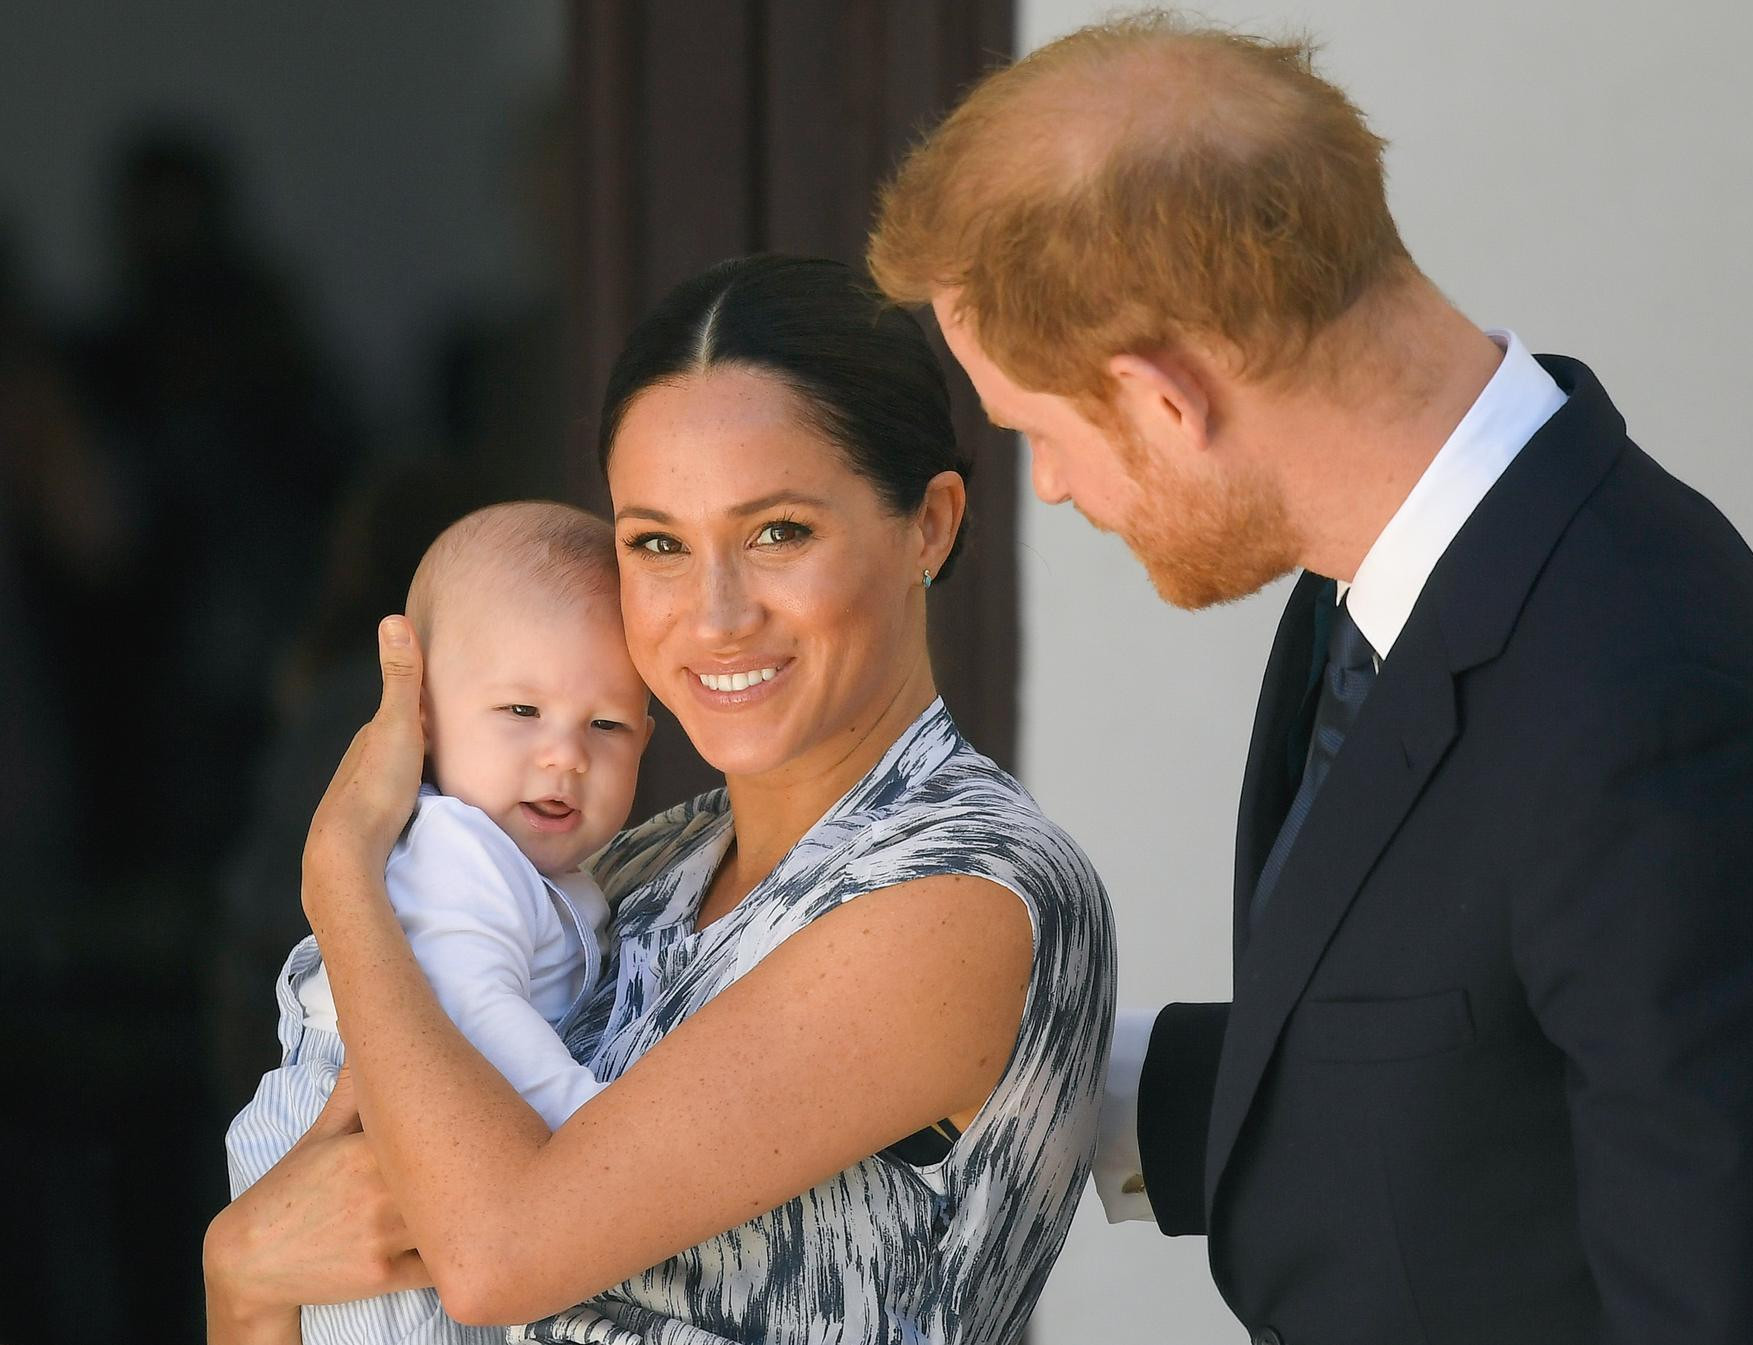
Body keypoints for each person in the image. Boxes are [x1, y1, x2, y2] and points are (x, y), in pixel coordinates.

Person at [868, 13, 1753, 1345]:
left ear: (1165, 398)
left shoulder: (1656, 712)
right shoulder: (1386, 577)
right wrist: (998, 1070)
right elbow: (1448, 1066)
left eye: (1038, 435)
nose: (1051, 486)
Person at [203, 255, 1117, 1345]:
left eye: (779, 531)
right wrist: (240, 1275)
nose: (716, 614)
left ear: (930, 523)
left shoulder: (962, 890)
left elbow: (494, 1257)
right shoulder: (626, 873)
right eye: (658, 544)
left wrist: (341, 876)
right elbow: (334, 1272)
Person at [224, 500, 651, 1344]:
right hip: (356, 1153)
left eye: (605, 725)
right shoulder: (459, 851)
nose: (566, 754)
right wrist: (600, 1141)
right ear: (420, 720)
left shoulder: (555, 873)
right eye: (521, 712)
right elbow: (476, 1014)